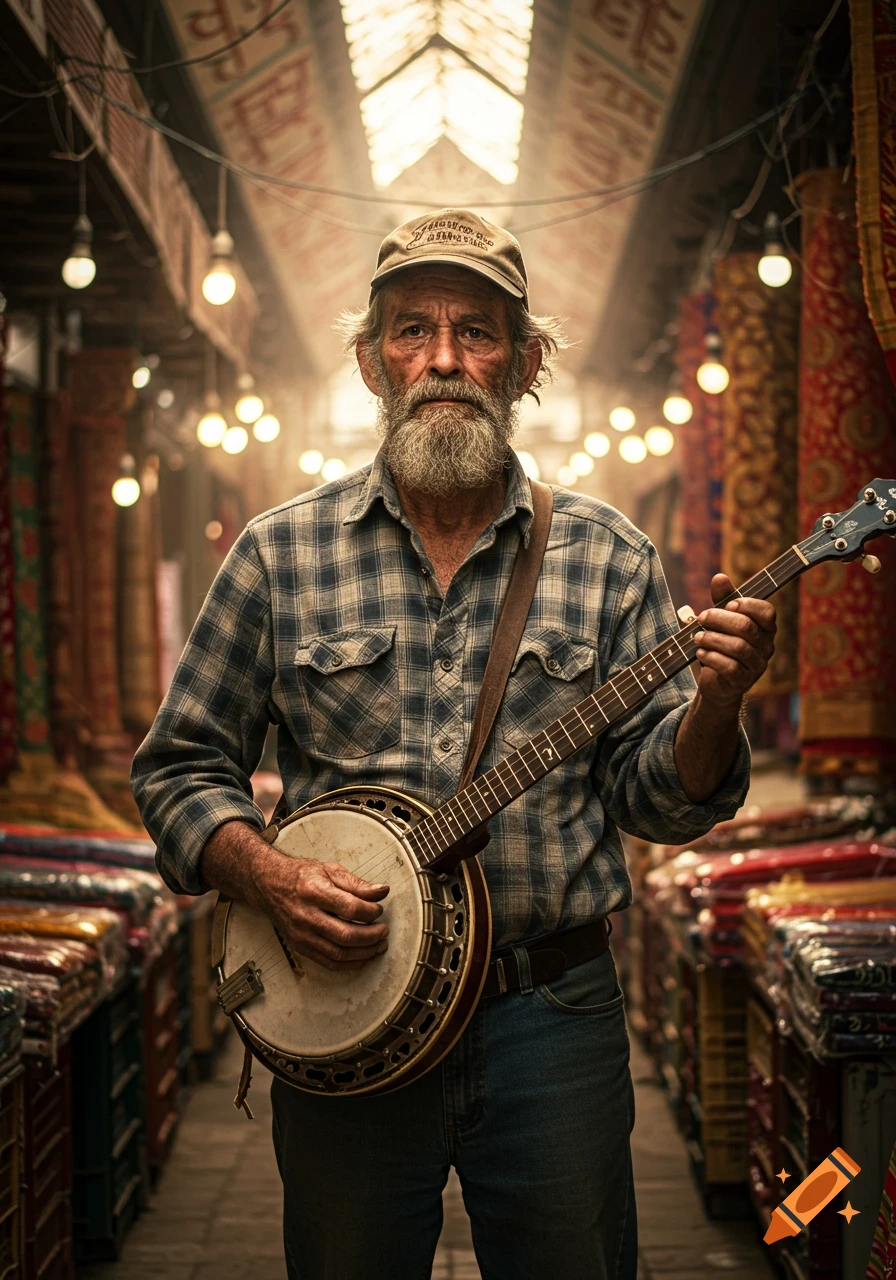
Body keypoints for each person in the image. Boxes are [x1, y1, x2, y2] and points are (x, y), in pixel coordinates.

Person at [132, 208, 776, 1280]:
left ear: (523, 364)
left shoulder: (606, 553)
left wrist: (714, 702)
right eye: (411, 329)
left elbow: (653, 798)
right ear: (370, 359)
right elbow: (179, 765)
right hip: (344, 1014)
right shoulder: (278, 553)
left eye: (475, 331)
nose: (442, 357)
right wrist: (269, 872)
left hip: (549, 1019)